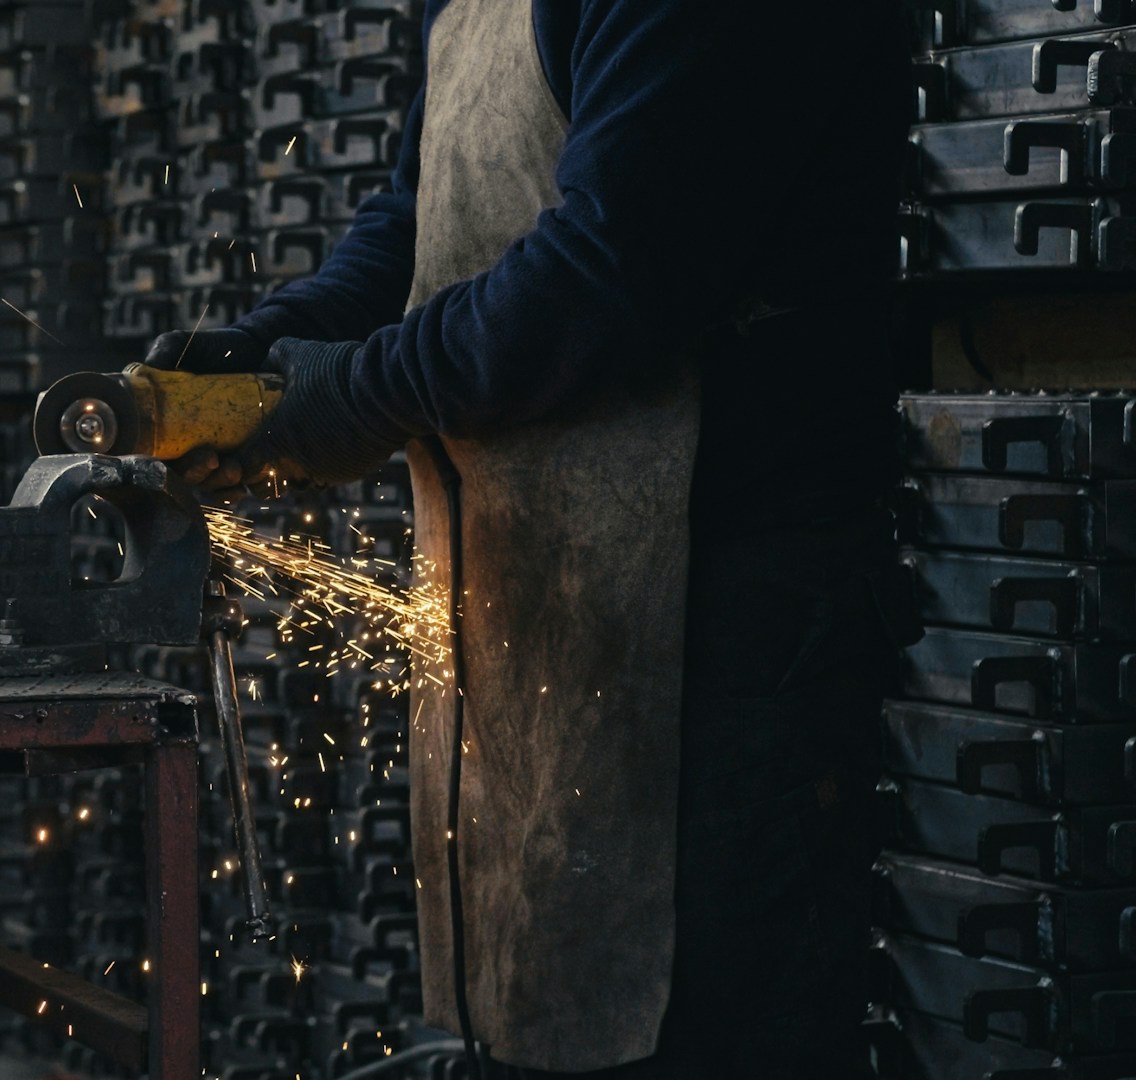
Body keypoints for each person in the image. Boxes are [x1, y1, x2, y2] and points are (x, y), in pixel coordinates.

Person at [145, 2, 917, 1077]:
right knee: (546, 1001)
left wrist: (352, 396)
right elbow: (414, 226)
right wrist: (268, 345)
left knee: (704, 1027)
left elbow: (609, 269)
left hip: (730, 616)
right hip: (550, 589)